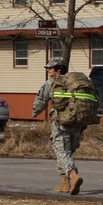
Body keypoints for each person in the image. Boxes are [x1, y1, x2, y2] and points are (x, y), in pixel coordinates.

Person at [32, 58, 84, 195]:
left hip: (60, 122)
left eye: (50, 68)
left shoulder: (51, 83)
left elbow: (40, 102)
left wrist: (34, 112)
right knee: (66, 151)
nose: (48, 70)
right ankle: (65, 183)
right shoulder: (76, 83)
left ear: (58, 69)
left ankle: (73, 175)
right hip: (77, 122)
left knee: (61, 151)